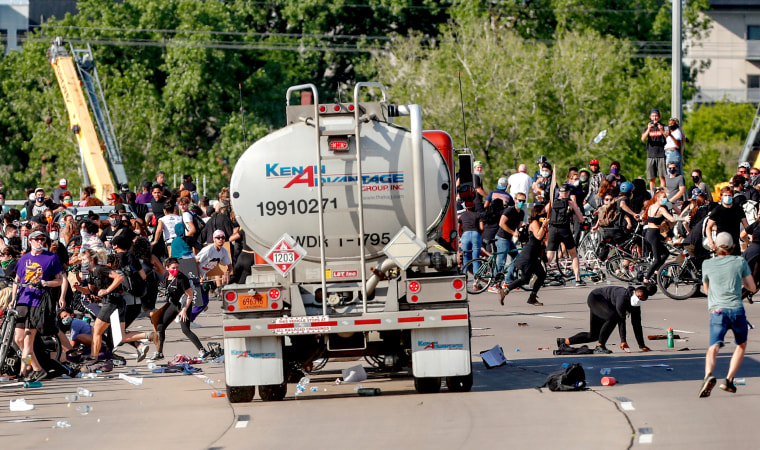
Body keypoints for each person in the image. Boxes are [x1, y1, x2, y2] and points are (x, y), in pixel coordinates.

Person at [699, 232, 756, 397]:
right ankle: (729, 380)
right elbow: (751, 287)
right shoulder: (740, 262)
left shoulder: (707, 264)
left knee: (713, 346)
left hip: (717, 311)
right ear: (732, 247)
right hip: (736, 310)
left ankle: (708, 375)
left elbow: (706, 290)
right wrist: (742, 282)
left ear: (715, 247)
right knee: (741, 344)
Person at [11, 230, 65, 381]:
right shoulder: (24, 258)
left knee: (28, 341)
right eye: (37, 239)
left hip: (38, 303)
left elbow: (60, 280)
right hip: (23, 301)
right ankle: (36, 368)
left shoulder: (52, 257)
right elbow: (17, 280)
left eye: (42, 239)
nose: (40, 242)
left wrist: (46, 283)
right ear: (30, 241)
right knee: (19, 339)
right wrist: (12, 299)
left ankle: (24, 370)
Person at [557, 285, 651, 354]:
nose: (638, 300)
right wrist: (623, 340)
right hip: (596, 298)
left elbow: (637, 324)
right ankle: (600, 346)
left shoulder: (636, 306)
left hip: (604, 304)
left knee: (594, 335)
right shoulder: (622, 297)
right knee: (613, 317)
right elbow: (621, 320)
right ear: (634, 292)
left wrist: (641, 345)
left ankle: (564, 341)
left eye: (641, 299)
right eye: (638, 297)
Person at [150, 258, 206, 361]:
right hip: (173, 304)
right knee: (160, 326)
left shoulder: (181, 278)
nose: (175, 269)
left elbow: (190, 295)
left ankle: (202, 350)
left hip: (184, 304)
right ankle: (159, 352)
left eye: (177, 267)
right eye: (173, 268)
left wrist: (184, 310)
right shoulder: (166, 277)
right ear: (167, 268)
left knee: (185, 330)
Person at [499, 205, 547, 306]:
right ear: (537, 213)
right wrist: (543, 226)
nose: (544, 214)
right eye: (543, 212)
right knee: (525, 279)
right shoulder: (534, 223)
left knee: (541, 275)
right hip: (529, 254)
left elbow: (544, 237)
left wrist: (546, 226)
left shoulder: (540, 223)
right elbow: (538, 236)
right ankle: (506, 290)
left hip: (534, 254)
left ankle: (532, 297)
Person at [641, 189, 685, 284]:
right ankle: (647, 278)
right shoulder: (661, 208)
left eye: (666, 197)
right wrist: (684, 218)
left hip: (649, 232)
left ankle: (657, 270)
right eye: (663, 197)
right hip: (654, 234)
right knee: (657, 259)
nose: (665, 199)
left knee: (665, 252)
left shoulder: (651, 206)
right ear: (658, 198)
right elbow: (672, 218)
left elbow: (651, 220)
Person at [544, 185, 585, 286]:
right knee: (573, 255)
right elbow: (581, 219)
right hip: (565, 231)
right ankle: (578, 279)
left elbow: (545, 212)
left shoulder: (552, 202)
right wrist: (575, 217)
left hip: (553, 230)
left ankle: (539, 276)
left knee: (549, 256)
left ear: (559, 192)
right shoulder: (570, 203)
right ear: (568, 193)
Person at [706, 187, 749, 256]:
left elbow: (746, 225)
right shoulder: (717, 210)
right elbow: (708, 227)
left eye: (729, 195)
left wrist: (750, 237)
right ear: (721, 196)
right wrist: (711, 241)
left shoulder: (738, 209)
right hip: (722, 244)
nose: (727, 197)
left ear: (732, 196)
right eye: (725, 195)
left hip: (735, 244)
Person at [495, 192, 527, 286]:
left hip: (509, 239)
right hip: (502, 238)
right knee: (501, 262)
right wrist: (513, 233)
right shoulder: (509, 210)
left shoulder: (521, 212)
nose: (521, 202)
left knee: (516, 259)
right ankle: (494, 283)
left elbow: (519, 226)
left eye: (523, 201)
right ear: (515, 200)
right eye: (519, 200)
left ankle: (508, 280)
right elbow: (501, 223)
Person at [641, 108, 667, 190]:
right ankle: (653, 194)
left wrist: (662, 130)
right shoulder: (647, 128)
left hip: (661, 154)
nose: (655, 118)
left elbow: (667, 137)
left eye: (656, 116)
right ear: (650, 117)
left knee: (662, 177)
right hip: (651, 155)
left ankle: (662, 194)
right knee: (652, 177)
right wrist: (648, 129)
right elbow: (643, 139)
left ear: (659, 117)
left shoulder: (663, 126)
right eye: (653, 116)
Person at [459, 201, 483, 283]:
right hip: (476, 234)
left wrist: (461, 234)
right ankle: (476, 281)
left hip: (465, 235)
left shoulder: (462, 216)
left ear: (465, 207)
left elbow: (459, 227)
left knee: (465, 257)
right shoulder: (478, 215)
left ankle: (464, 278)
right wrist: (479, 234)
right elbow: (482, 227)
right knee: (476, 258)